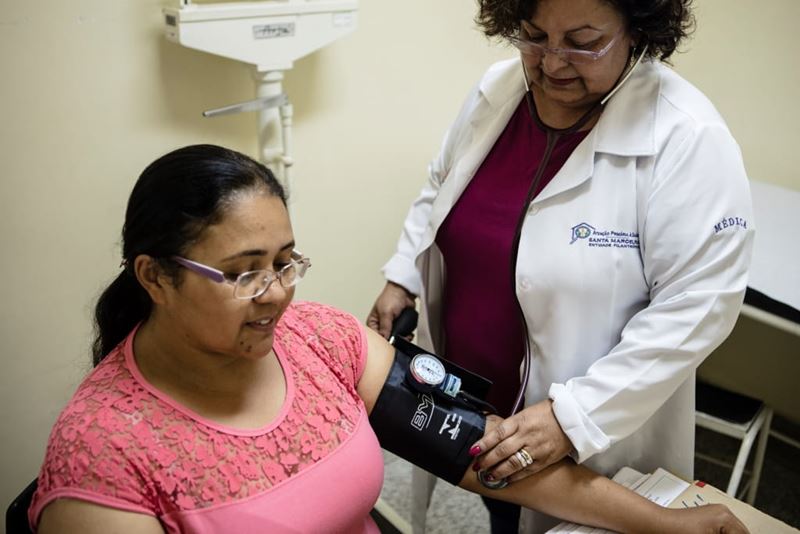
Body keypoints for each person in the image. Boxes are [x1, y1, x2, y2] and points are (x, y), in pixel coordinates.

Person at [28, 145, 748, 533]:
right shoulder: (104, 455)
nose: (278, 294)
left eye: (285, 263)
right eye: (244, 275)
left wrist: (663, 526)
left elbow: (485, 455)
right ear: (154, 277)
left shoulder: (321, 342)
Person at [367, 0, 754, 531]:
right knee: (498, 504)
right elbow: (441, 182)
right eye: (532, 34)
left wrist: (574, 418)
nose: (551, 63)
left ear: (637, 30)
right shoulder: (497, 90)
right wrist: (402, 278)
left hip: (580, 434)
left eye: (583, 41)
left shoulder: (686, 136)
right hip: (472, 401)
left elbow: (699, 306)